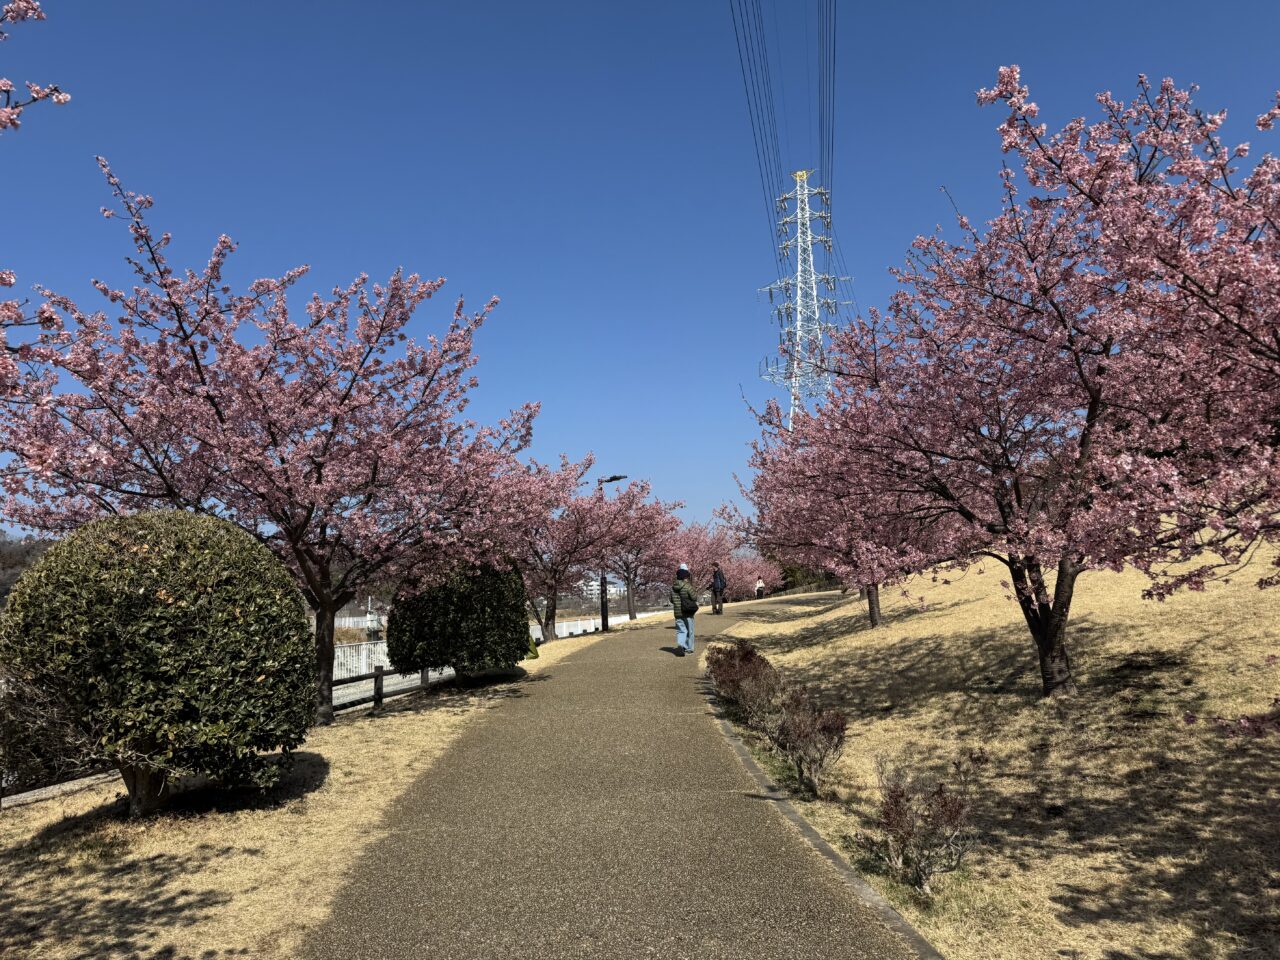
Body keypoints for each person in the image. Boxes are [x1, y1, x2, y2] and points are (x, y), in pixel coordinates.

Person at [671, 563, 698, 656]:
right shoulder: (687, 586)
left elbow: (671, 600)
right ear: (685, 577)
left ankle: (681, 645)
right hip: (688, 612)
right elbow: (694, 598)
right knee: (690, 630)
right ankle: (689, 648)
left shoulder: (673, 588)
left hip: (677, 613)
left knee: (681, 630)